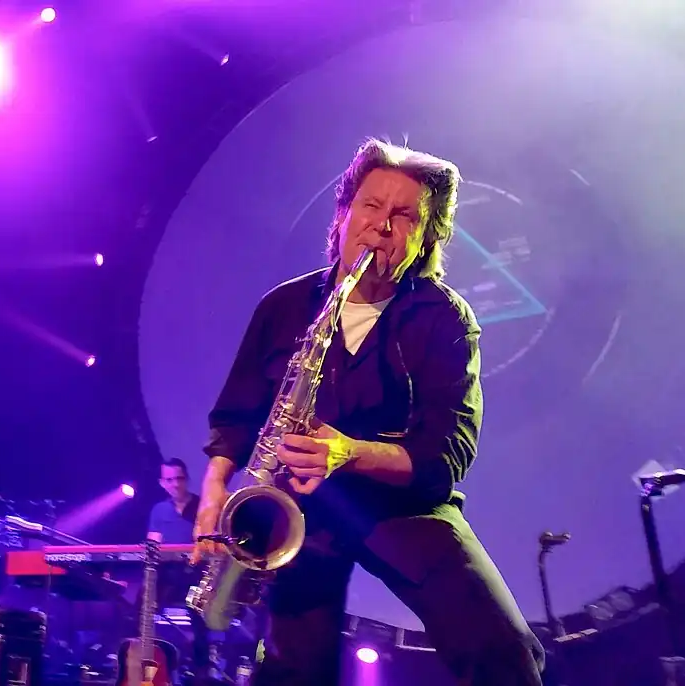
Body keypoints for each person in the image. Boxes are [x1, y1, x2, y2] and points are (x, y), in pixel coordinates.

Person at [192, 139, 545, 686]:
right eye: (370, 206)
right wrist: (216, 488)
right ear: (343, 215)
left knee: (502, 650)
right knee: (292, 674)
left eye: (404, 216)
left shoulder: (445, 318)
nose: (381, 226)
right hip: (299, 509)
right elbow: (237, 414)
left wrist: (349, 453)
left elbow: (445, 457)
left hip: (402, 507)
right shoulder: (284, 306)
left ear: (428, 238)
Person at [146, 459, 212, 684]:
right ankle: (144, 662)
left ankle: (201, 671)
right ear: (162, 483)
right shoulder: (159, 510)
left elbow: (211, 543)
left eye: (179, 478)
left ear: (187, 479)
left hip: (197, 573)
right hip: (168, 574)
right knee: (141, 604)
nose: (175, 484)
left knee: (199, 614)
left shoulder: (203, 506)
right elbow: (152, 544)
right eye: (169, 479)